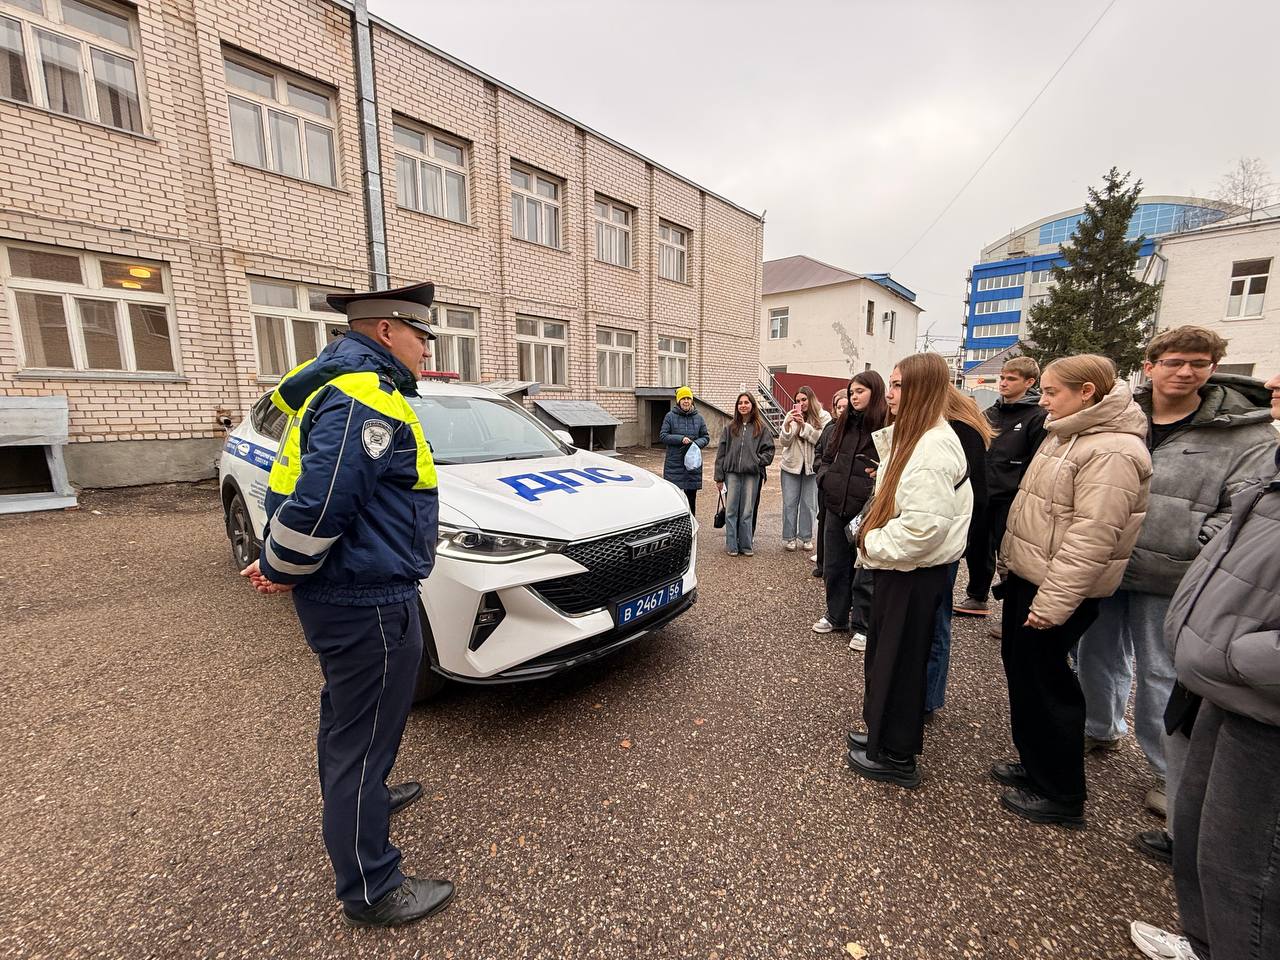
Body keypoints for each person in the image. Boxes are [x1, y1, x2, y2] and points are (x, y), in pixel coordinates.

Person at [240, 282, 454, 928]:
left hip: (357, 588)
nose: (425, 349)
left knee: (356, 720)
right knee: (359, 736)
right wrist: (281, 566)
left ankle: (370, 798)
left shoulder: (337, 386)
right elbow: (322, 500)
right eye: (420, 336)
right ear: (386, 331)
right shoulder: (363, 394)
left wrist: (281, 559)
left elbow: (305, 491)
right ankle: (371, 886)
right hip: (364, 596)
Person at [1073, 328, 1276, 842]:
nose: (1185, 372)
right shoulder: (1126, 416)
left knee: (1164, 671)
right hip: (1110, 560)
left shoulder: (1243, 432)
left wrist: (1194, 540)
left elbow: (1245, 507)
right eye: (1174, 361)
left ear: (1214, 368)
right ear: (1151, 363)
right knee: (1097, 652)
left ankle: (1167, 771)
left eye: (1199, 363)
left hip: (1173, 573)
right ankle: (1098, 726)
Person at [1127, 370, 1280, 960]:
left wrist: (1236, 654)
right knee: (1215, 843)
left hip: (1256, 691)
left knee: (1254, 869)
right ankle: (1207, 942)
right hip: (1227, 680)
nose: (1268, 380)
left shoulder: (1249, 441)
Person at [994, 355, 1152, 829]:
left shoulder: (1113, 451)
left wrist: (1053, 603)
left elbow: (1092, 536)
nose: (1041, 402)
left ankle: (1061, 792)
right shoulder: (1068, 434)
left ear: (1086, 392)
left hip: (1058, 588)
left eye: (1050, 392)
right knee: (1023, 672)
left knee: (1050, 684)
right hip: (1032, 576)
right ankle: (1035, 763)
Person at [845, 353, 973, 789]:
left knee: (899, 664)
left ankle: (897, 756)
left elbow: (923, 529)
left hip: (912, 570)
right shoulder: (915, 437)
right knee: (886, 658)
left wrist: (868, 543)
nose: (891, 393)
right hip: (901, 567)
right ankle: (881, 736)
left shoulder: (933, 447)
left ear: (920, 389)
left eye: (898, 385)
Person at [954, 356, 1047, 626]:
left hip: (1012, 497)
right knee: (978, 545)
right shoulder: (990, 413)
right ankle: (976, 595)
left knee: (1010, 554)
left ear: (1029, 382)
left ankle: (1013, 614)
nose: (1004, 383)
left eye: (1011, 379)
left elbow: (1035, 461)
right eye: (1003, 377)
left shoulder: (1037, 417)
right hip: (985, 493)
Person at [925, 389, 993, 719]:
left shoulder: (960, 432)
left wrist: (957, 543)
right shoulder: (939, 429)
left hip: (941, 544)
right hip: (934, 540)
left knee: (936, 623)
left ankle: (928, 697)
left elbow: (973, 498)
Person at [812, 372, 886, 644]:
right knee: (834, 564)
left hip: (867, 508)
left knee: (865, 569)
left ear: (875, 392)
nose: (854, 397)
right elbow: (827, 457)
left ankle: (863, 625)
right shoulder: (842, 422)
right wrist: (826, 479)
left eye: (860, 391)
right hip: (836, 504)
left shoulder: (886, 424)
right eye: (851, 391)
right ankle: (836, 615)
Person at [713, 392, 775, 556]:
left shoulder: (761, 429)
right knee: (732, 510)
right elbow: (721, 453)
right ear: (737, 406)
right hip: (731, 474)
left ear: (752, 405)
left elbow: (769, 451)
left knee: (747, 511)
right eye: (740, 403)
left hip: (751, 474)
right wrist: (719, 476)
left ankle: (746, 545)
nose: (743, 405)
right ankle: (732, 545)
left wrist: (757, 461)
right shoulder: (730, 427)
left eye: (746, 402)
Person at [778, 385, 829, 552]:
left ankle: (806, 537)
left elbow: (822, 440)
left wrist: (804, 427)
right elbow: (784, 442)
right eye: (797, 400)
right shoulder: (791, 416)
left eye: (804, 400)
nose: (800, 403)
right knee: (789, 503)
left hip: (811, 467)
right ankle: (789, 537)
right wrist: (787, 425)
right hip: (791, 465)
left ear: (811, 399)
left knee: (809, 504)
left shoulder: (823, 416)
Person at [811, 389, 849, 575]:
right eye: (838, 406)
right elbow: (819, 453)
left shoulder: (855, 431)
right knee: (823, 521)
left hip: (845, 488)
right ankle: (822, 564)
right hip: (826, 487)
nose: (841, 410)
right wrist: (822, 473)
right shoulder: (829, 429)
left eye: (845, 406)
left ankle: (837, 567)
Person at [659, 386, 710, 514]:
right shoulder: (670, 416)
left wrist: (696, 444)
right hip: (674, 464)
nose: (686, 401)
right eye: (683, 398)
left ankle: (691, 524)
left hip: (692, 465)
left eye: (688, 398)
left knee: (691, 497)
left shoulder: (699, 418)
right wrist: (681, 439)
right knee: (675, 498)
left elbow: (706, 437)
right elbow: (663, 436)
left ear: (692, 401)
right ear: (678, 401)